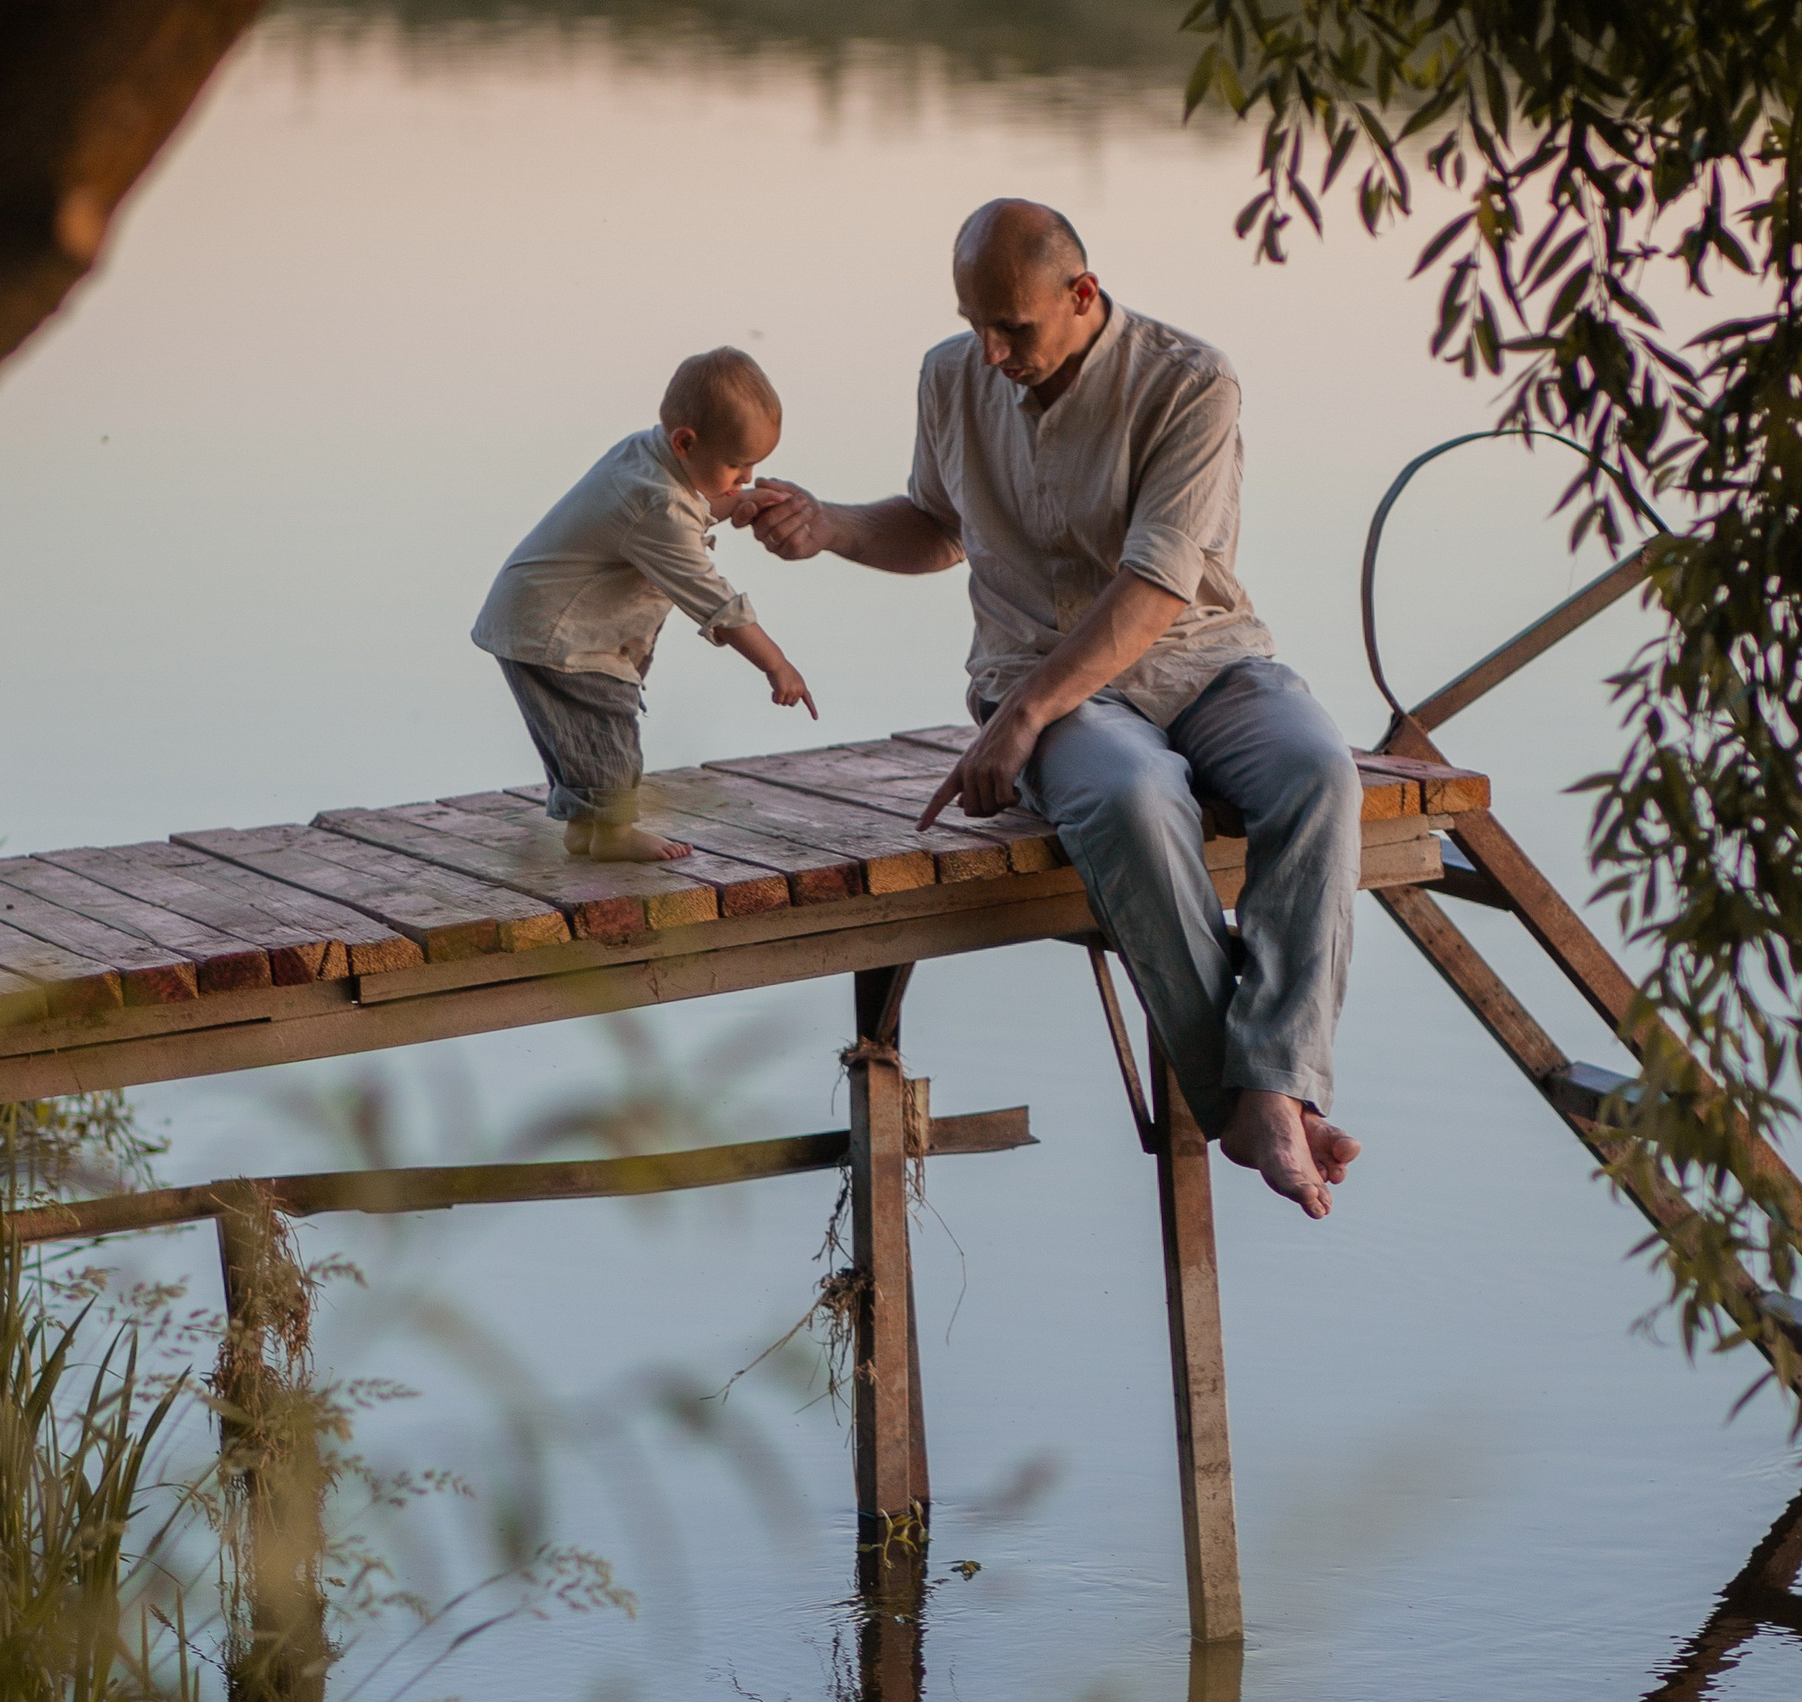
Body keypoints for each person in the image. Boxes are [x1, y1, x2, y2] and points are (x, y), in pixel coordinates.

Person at [732, 201, 1363, 1218]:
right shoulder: (951, 374)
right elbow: (938, 527)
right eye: (974, 321)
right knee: (1131, 793)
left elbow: (1158, 586)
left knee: (1319, 772)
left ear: (1082, 294)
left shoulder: (1190, 378)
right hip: (1040, 670)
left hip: (1200, 655)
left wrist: (1019, 717)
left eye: (1013, 328)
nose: (991, 350)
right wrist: (830, 527)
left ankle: (1272, 1083)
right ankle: (1259, 1105)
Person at [471, 346, 814, 866]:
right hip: (561, 634)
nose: (745, 477)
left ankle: (588, 829)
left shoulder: (645, 456)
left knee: (579, 733)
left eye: (753, 467)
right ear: (685, 441)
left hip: (534, 621)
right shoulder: (656, 503)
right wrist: (777, 664)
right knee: (606, 720)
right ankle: (612, 832)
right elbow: (716, 602)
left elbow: (684, 510)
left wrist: (731, 504)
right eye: (736, 464)